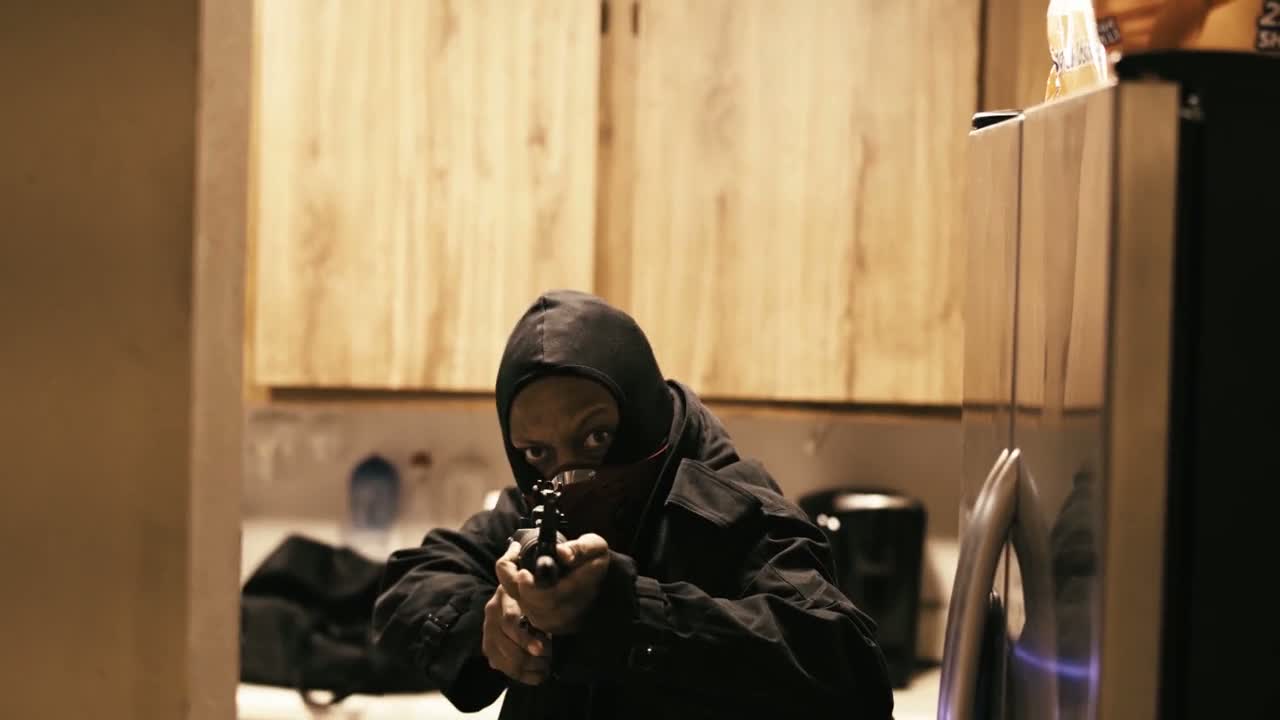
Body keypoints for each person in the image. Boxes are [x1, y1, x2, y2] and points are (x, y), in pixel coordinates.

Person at [372, 290, 894, 719]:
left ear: (641, 417)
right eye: (537, 452)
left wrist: (634, 615)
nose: (568, 476)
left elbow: (852, 674)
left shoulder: (733, 511)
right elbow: (410, 582)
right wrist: (490, 626)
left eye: (595, 438)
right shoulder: (536, 506)